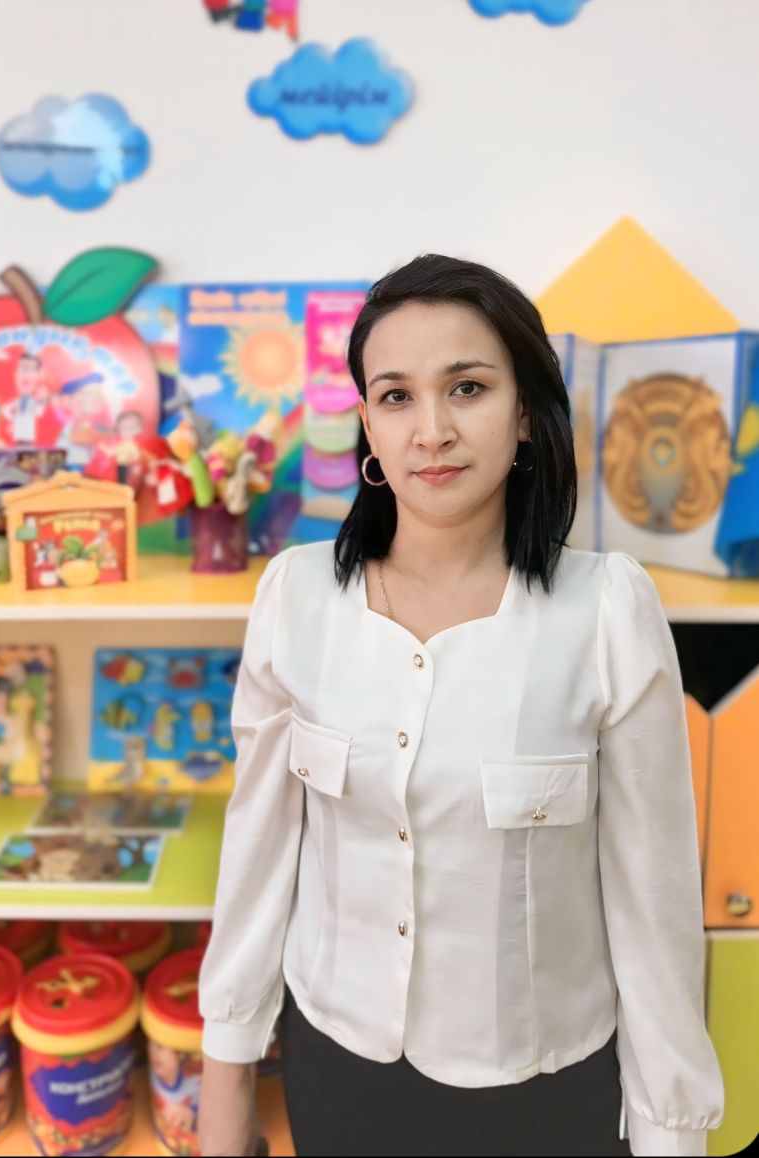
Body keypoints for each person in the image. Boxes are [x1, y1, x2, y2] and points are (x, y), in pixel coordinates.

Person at [196, 256, 724, 1157]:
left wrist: (670, 1134)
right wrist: (225, 1089)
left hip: (545, 1092)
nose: (431, 431)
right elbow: (257, 858)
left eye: (467, 388)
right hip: (336, 1067)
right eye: (396, 397)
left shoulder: (606, 609)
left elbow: (654, 905)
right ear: (367, 423)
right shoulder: (296, 597)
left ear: (523, 412)